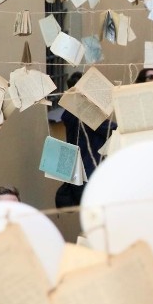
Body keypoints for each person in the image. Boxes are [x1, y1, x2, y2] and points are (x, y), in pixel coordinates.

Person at [58, 72, 114, 208]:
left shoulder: (69, 113)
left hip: (81, 172)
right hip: (91, 171)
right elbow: (111, 130)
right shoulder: (84, 114)